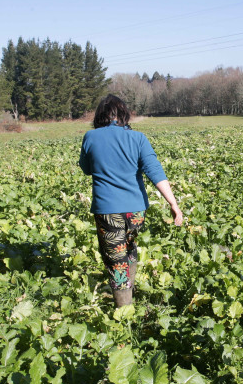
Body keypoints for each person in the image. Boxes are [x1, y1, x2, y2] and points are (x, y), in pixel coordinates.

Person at [78, 94, 183, 308]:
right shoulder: (138, 138)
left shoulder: (91, 137)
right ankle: (129, 291)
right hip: (136, 211)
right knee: (129, 246)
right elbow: (155, 171)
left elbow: (86, 169)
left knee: (116, 260)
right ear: (124, 114)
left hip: (108, 211)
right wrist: (173, 204)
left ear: (100, 116)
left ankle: (124, 313)